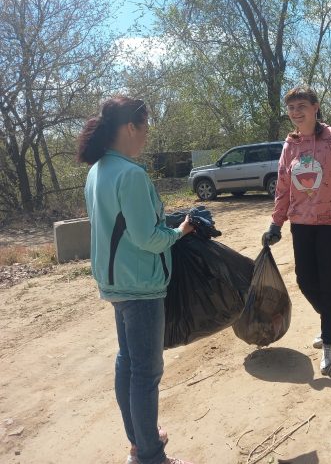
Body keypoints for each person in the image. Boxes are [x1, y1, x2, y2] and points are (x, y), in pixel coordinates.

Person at [77, 96, 195, 464]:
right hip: (141, 285)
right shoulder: (131, 174)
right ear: (131, 127)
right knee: (146, 371)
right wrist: (181, 231)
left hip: (115, 283)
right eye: (145, 126)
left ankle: (139, 440)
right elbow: (148, 238)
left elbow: (121, 226)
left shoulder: (98, 170)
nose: (147, 135)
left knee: (127, 362)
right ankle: (149, 455)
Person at [262, 85, 331, 375]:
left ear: (315, 107)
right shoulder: (291, 145)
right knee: (305, 279)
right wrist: (276, 222)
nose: (296, 113)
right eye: (292, 108)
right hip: (302, 222)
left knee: (330, 280)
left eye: (302, 107)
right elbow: (283, 187)